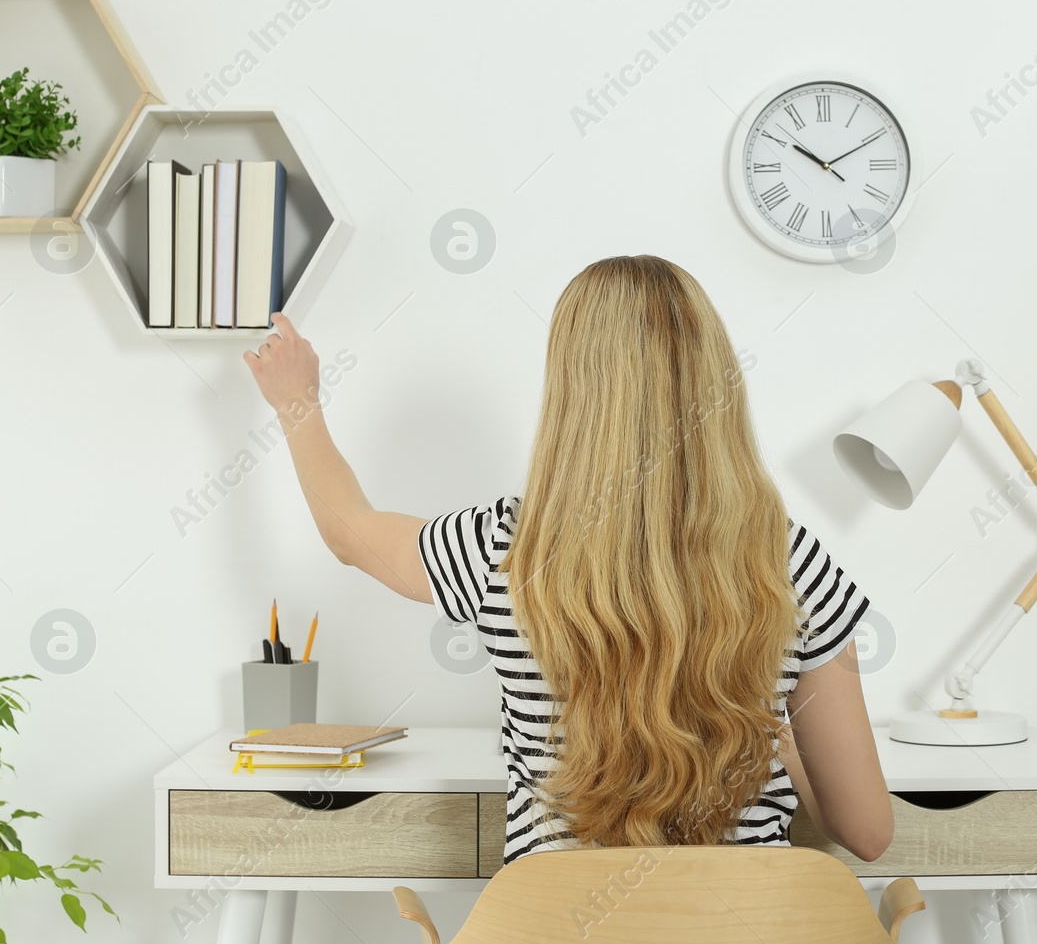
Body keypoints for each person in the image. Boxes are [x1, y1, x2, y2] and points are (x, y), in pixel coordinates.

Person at [245, 255, 892, 866]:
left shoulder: (502, 546)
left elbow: (347, 531)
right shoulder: (791, 559)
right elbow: (865, 831)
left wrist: (296, 402)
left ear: (573, 394)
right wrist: (780, 739)